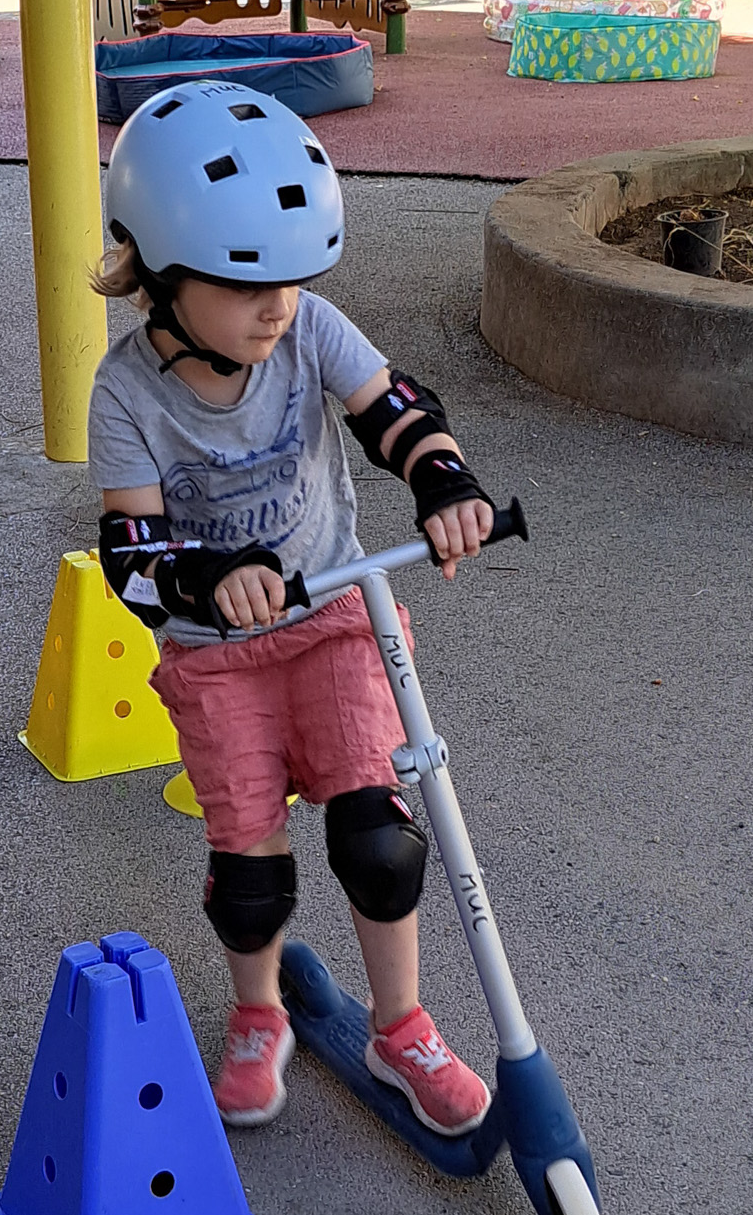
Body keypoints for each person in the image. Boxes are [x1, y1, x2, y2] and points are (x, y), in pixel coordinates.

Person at [86, 81, 502, 1132]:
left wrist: (444, 481)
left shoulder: (306, 327)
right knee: (247, 862)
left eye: (291, 278)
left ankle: (399, 1023)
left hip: (332, 618)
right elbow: (130, 552)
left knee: (377, 831)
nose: (277, 305)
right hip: (215, 655)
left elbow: (392, 407)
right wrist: (204, 579)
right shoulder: (124, 393)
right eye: (245, 283)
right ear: (157, 273)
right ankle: (258, 1011)